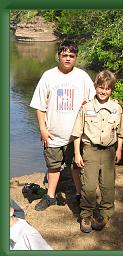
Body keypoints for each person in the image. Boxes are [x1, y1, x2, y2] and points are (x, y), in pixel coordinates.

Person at [30, 38, 96, 211]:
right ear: (58, 56)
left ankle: (79, 195)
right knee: (53, 166)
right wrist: (43, 129)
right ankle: (50, 196)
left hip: (76, 135)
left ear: (76, 58)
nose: (67, 58)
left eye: (71, 55)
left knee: (76, 166)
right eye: (64, 54)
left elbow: (94, 101)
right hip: (53, 133)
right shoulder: (48, 76)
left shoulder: (82, 77)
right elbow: (39, 106)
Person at [72, 70, 123, 233]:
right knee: (88, 186)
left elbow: (121, 132)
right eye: (101, 87)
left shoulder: (117, 108)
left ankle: (105, 213)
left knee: (108, 186)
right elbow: (77, 133)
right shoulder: (86, 107)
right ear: (96, 87)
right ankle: (86, 215)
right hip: (90, 150)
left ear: (111, 90)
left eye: (108, 88)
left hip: (109, 151)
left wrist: (119, 150)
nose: (104, 91)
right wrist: (77, 153)